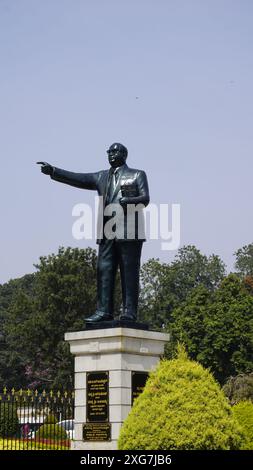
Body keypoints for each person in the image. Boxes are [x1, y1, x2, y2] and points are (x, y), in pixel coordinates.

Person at [37, 142, 150, 323]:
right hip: (106, 231)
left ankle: (129, 311)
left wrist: (128, 200)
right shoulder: (101, 176)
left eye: (115, 151)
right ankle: (104, 310)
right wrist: (54, 171)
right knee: (104, 269)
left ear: (124, 154)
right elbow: (79, 178)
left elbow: (145, 199)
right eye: (109, 152)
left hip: (129, 230)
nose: (111, 154)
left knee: (129, 272)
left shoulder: (137, 174)